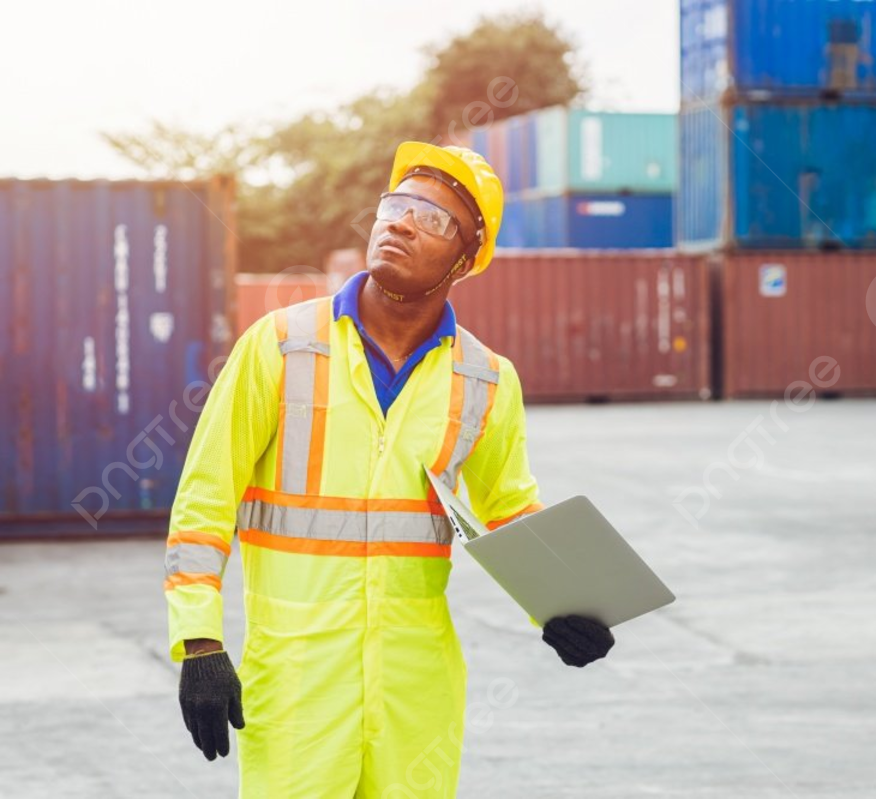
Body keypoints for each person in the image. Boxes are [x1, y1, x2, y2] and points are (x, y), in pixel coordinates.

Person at [163, 142, 617, 798]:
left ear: (465, 259)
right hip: (296, 679)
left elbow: (510, 508)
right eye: (397, 205)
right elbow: (205, 501)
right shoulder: (281, 345)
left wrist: (561, 605)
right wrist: (200, 641)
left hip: (416, 685)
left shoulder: (485, 378)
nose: (401, 222)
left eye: (432, 218)